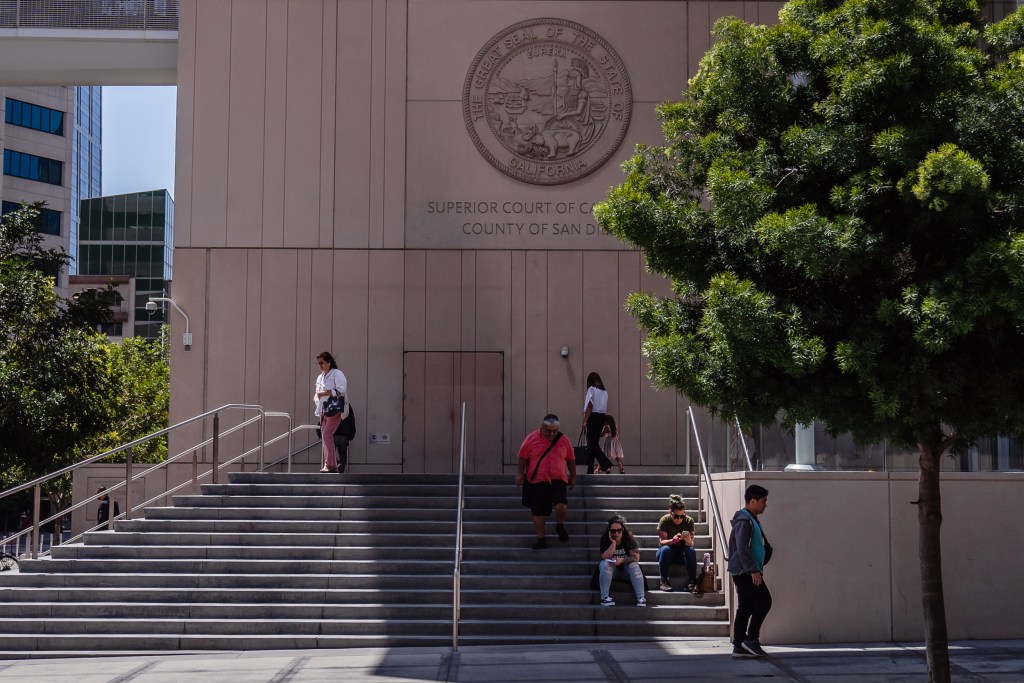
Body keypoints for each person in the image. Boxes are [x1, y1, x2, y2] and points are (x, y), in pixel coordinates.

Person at [516, 413, 576, 549]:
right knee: (538, 512)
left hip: (558, 479)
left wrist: (573, 476)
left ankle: (560, 525)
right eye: (548, 431)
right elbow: (523, 457)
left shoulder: (564, 440)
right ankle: (541, 539)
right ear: (542, 427)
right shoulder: (531, 438)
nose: (552, 434)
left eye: (555, 431)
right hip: (537, 480)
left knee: (561, 505)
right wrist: (519, 474)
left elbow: (571, 459)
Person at [728, 484, 773, 658]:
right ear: (752, 501)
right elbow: (742, 547)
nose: (765, 505)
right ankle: (751, 640)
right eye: (763, 501)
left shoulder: (751, 519)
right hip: (746, 572)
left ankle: (739, 645)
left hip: (745, 570)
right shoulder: (744, 521)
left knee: (746, 607)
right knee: (764, 601)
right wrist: (753, 569)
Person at [597, 514, 646, 607]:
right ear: (609, 531)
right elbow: (604, 556)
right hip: (611, 571)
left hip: (626, 570)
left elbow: (636, 557)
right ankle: (604, 597)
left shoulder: (629, 538)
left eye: (619, 530)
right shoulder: (605, 538)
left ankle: (641, 597)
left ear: (623, 529)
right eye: (613, 531)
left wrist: (622, 560)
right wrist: (613, 543)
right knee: (605, 563)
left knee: (634, 565)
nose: (616, 533)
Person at [313, 351, 348, 473]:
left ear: (329, 362)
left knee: (327, 434)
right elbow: (317, 393)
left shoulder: (336, 373)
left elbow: (341, 390)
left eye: (322, 363)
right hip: (322, 409)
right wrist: (316, 398)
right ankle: (332, 464)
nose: (320, 365)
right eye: (318, 363)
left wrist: (325, 393)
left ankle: (329, 464)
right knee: (325, 436)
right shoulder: (320, 377)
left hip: (333, 409)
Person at [656, 494, 698, 592]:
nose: (679, 519)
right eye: (676, 516)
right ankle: (663, 581)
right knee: (666, 549)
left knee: (691, 550)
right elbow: (662, 542)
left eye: (682, 516)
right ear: (671, 513)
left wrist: (688, 540)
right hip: (665, 554)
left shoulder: (689, 521)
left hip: (682, 554)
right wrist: (673, 540)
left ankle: (692, 581)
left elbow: (691, 544)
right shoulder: (665, 520)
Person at [582, 372, 614, 474]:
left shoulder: (591, 389)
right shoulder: (604, 392)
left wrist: (585, 420)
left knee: (592, 444)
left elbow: (590, 405)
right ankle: (590, 469)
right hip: (601, 417)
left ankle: (606, 463)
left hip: (593, 417)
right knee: (593, 443)